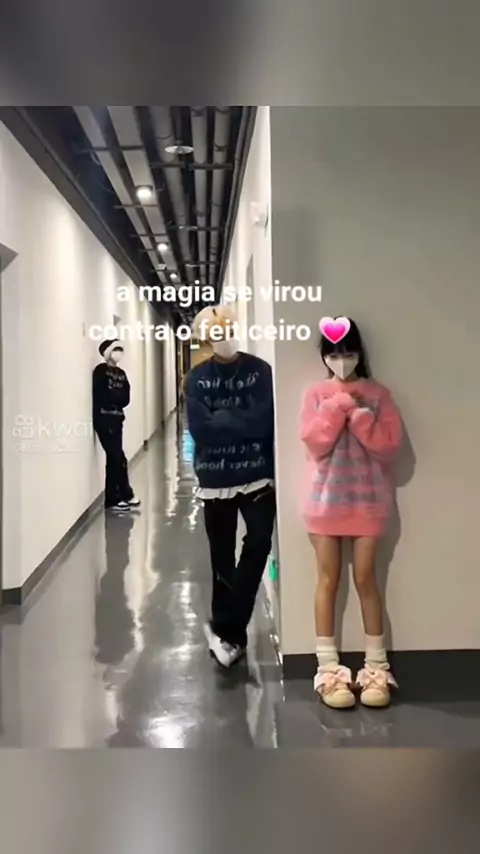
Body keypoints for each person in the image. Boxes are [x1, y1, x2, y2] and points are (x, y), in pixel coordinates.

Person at [300, 319, 403, 709]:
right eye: (334, 353)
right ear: (324, 356)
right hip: (324, 502)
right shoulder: (316, 394)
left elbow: (388, 446)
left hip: (369, 502)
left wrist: (358, 415)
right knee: (327, 581)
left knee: (366, 579)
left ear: (359, 353)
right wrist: (335, 409)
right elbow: (314, 443)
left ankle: (376, 666)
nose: (341, 360)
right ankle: (328, 669)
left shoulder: (377, 395)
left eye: (348, 352)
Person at [185, 304, 276, 668]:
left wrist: (223, 418)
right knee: (221, 558)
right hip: (214, 479)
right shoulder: (196, 378)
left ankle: (229, 625)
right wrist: (240, 421)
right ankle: (231, 636)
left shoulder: (260, 371)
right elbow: (201, 430)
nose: (225, 338)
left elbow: (263, 422)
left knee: (258, 545)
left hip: (258, 476)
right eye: (217, 333)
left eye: (229, 330)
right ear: (207, 337)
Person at [92, 339, 140, 512]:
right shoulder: (100, 371)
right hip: (104, 419)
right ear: (107, 352)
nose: (118, 353)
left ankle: (121, 495)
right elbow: (102, 394)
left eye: (120, 349)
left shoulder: (121, 373)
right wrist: (114, 397)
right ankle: (118, 497)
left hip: (118, 419)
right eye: (115, 349)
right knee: (116, 457)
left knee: (117, 458)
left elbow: (125, 398)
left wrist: (115, 396)